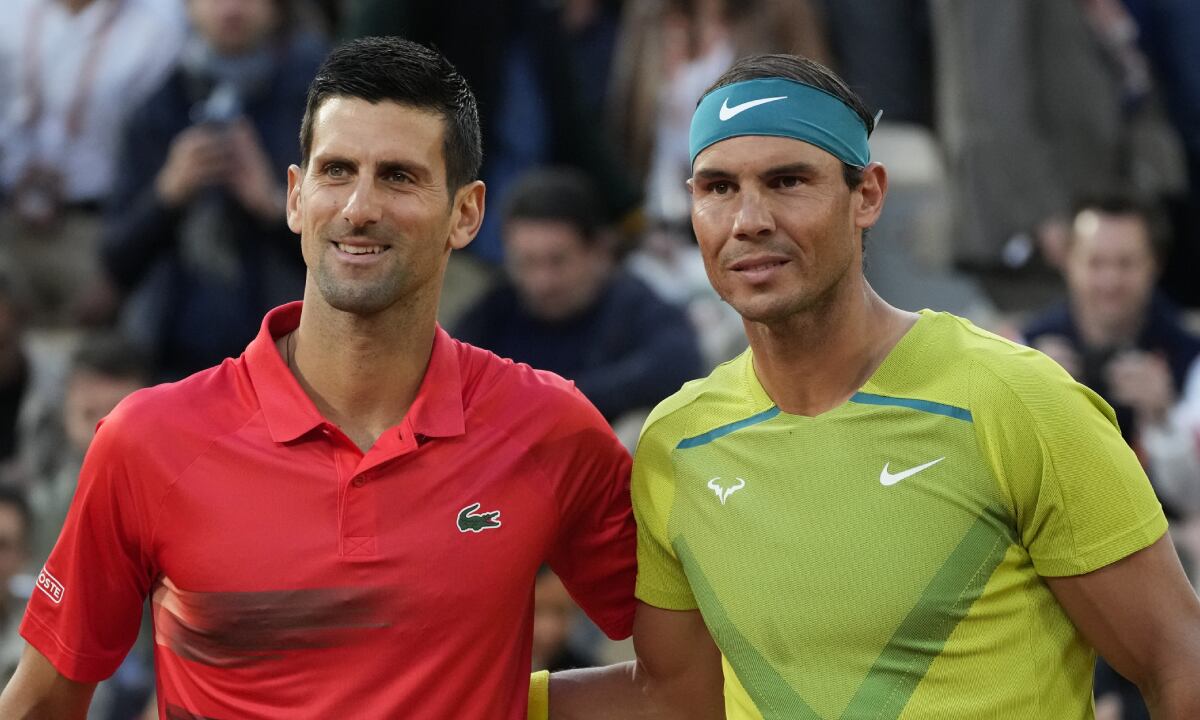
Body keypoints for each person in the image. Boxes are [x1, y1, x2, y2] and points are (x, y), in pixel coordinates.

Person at [530, 53, 1200, 719]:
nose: (749, 219)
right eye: (717, 188)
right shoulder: (678, 442)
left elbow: (1178, 663)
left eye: (788, 180)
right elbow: (676, 697)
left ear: (868, 195)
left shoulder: (1014, 399)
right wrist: (451, 693)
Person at [0, 36, 637, 718]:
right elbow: (40, 706)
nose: (360, 206)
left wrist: (510, 703)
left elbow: (682, 678)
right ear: (296, 197)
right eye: (337, 171)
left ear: (467, 213)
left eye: (399, 176)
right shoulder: (147, 440)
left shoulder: (549, 428)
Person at [101, 0, 327, 380]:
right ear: (187, 8)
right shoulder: (159, 102)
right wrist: (167, 195)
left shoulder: (319, 100)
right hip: (168, 352)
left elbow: (342, 254)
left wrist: (272, 202)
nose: (232, 7)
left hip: (286, 355)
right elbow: (116, 260)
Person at [455, 166, 703, 426]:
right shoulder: (497, 310)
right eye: (527, 263)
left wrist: (551, 400)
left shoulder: (633, 306)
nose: (542, 282)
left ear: (598, 252)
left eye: (557, 261)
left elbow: (676, 365)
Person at [1023, 195, 1200, 516]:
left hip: (1162, 539)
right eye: (1096, 262)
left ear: (1155, 265)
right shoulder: (1021, 349)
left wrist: (1163, 417)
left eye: (1126, 263)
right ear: (1068, 262)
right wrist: (1031, 401)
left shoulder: (1190, 358)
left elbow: (1194, 499)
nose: (1110, 281)